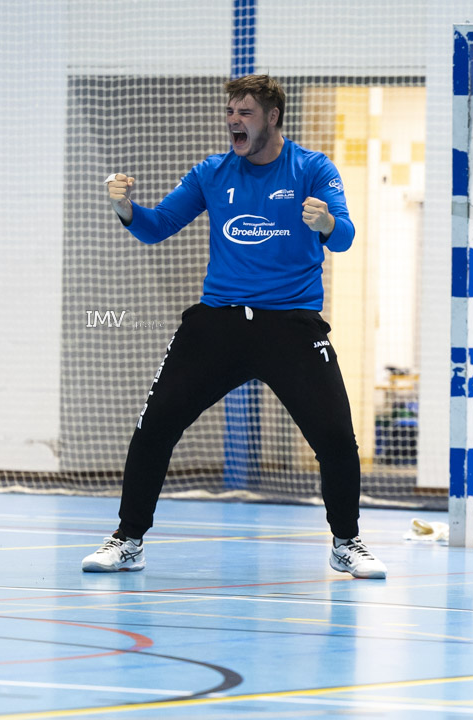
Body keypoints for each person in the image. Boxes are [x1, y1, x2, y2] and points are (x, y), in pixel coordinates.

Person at [82, 75, 387, 579]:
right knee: (154, 427)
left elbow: (346, 238)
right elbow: (156, 227)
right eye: (230, 112)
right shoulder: (211, 172)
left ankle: (346, 542)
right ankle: (128, 539)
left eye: (244, 113)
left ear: (272, 117)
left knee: (334, 436)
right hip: (219, 323)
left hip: (291, 325)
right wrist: (125, 209)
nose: (233, 122)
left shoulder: (313, 169)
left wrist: (328, 224)